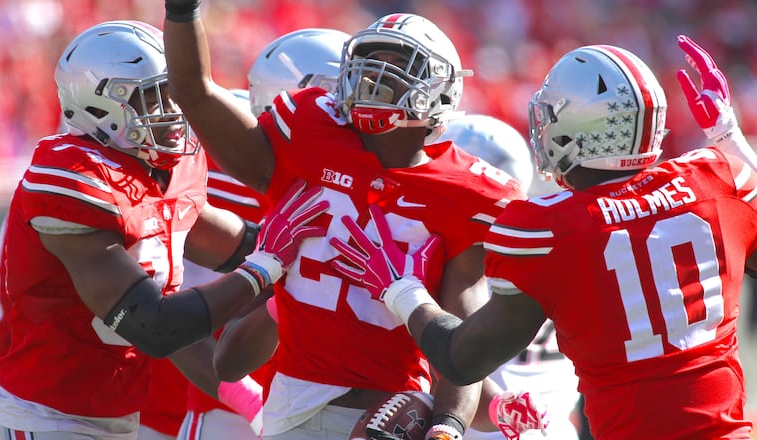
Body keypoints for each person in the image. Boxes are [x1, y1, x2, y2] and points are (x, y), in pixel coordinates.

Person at [329, 36, 757, 440]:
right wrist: (732, 142)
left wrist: (402, 291)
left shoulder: (544, 227)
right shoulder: (718, 177)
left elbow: (463, 360)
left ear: (577, 129)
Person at [163, 2, 546, 438]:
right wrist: (183, 11)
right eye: (369, 62)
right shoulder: (307, 134)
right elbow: (193, 90)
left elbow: (458, 351)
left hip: (392, 413)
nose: (375, 75)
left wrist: (448, 427)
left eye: (397, 64)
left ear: (439, 90)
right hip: (293, 403)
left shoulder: (466, 194)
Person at [0, 20, 328, 439]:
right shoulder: (73, 178)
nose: (175, 110)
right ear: (99, 105)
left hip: (118, 415)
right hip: (46, 418)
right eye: (156, 96)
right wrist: (268, 270)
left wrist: (318, 246)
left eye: (175, 94)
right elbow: (156, 326)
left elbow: (239, 244)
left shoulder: (167, 171)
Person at [179, 28, 349, 440]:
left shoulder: (356, 173)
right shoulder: (219, 169)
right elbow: (172, 313)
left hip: (329, 402)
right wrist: (248, 401)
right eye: (346, 91)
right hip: (231, 406)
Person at [437, 115, 580, 440]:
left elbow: (450, 365)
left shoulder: (453, 261)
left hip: (476, 426)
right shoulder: (560, 245)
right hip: (555, 428)